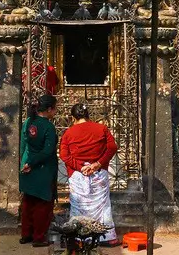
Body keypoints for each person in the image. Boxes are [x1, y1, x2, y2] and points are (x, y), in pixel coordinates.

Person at [58, 101, 118, 242]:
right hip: (98, 173)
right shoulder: (101, 128)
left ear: (73, 118)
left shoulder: (68, 133)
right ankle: (108, 237)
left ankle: (78, 237)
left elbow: (64, 155)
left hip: (78, 175)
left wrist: (80, 167)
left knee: (79, 207)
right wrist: (97, 164)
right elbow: (112, 147)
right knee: (103, 205)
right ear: (88, 115)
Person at [19, 93, 60, 246]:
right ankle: (39, 237)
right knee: (43, 204)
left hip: (26, 167)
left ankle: (26, 234)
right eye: (55, 109)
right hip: (42, 169)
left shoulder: (28, 121)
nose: (55, 112)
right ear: (49, 109)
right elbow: (48, 150)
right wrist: (32, 163)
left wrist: (24, 163)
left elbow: (23, 145)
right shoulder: (48, 126)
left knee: (28, 202)